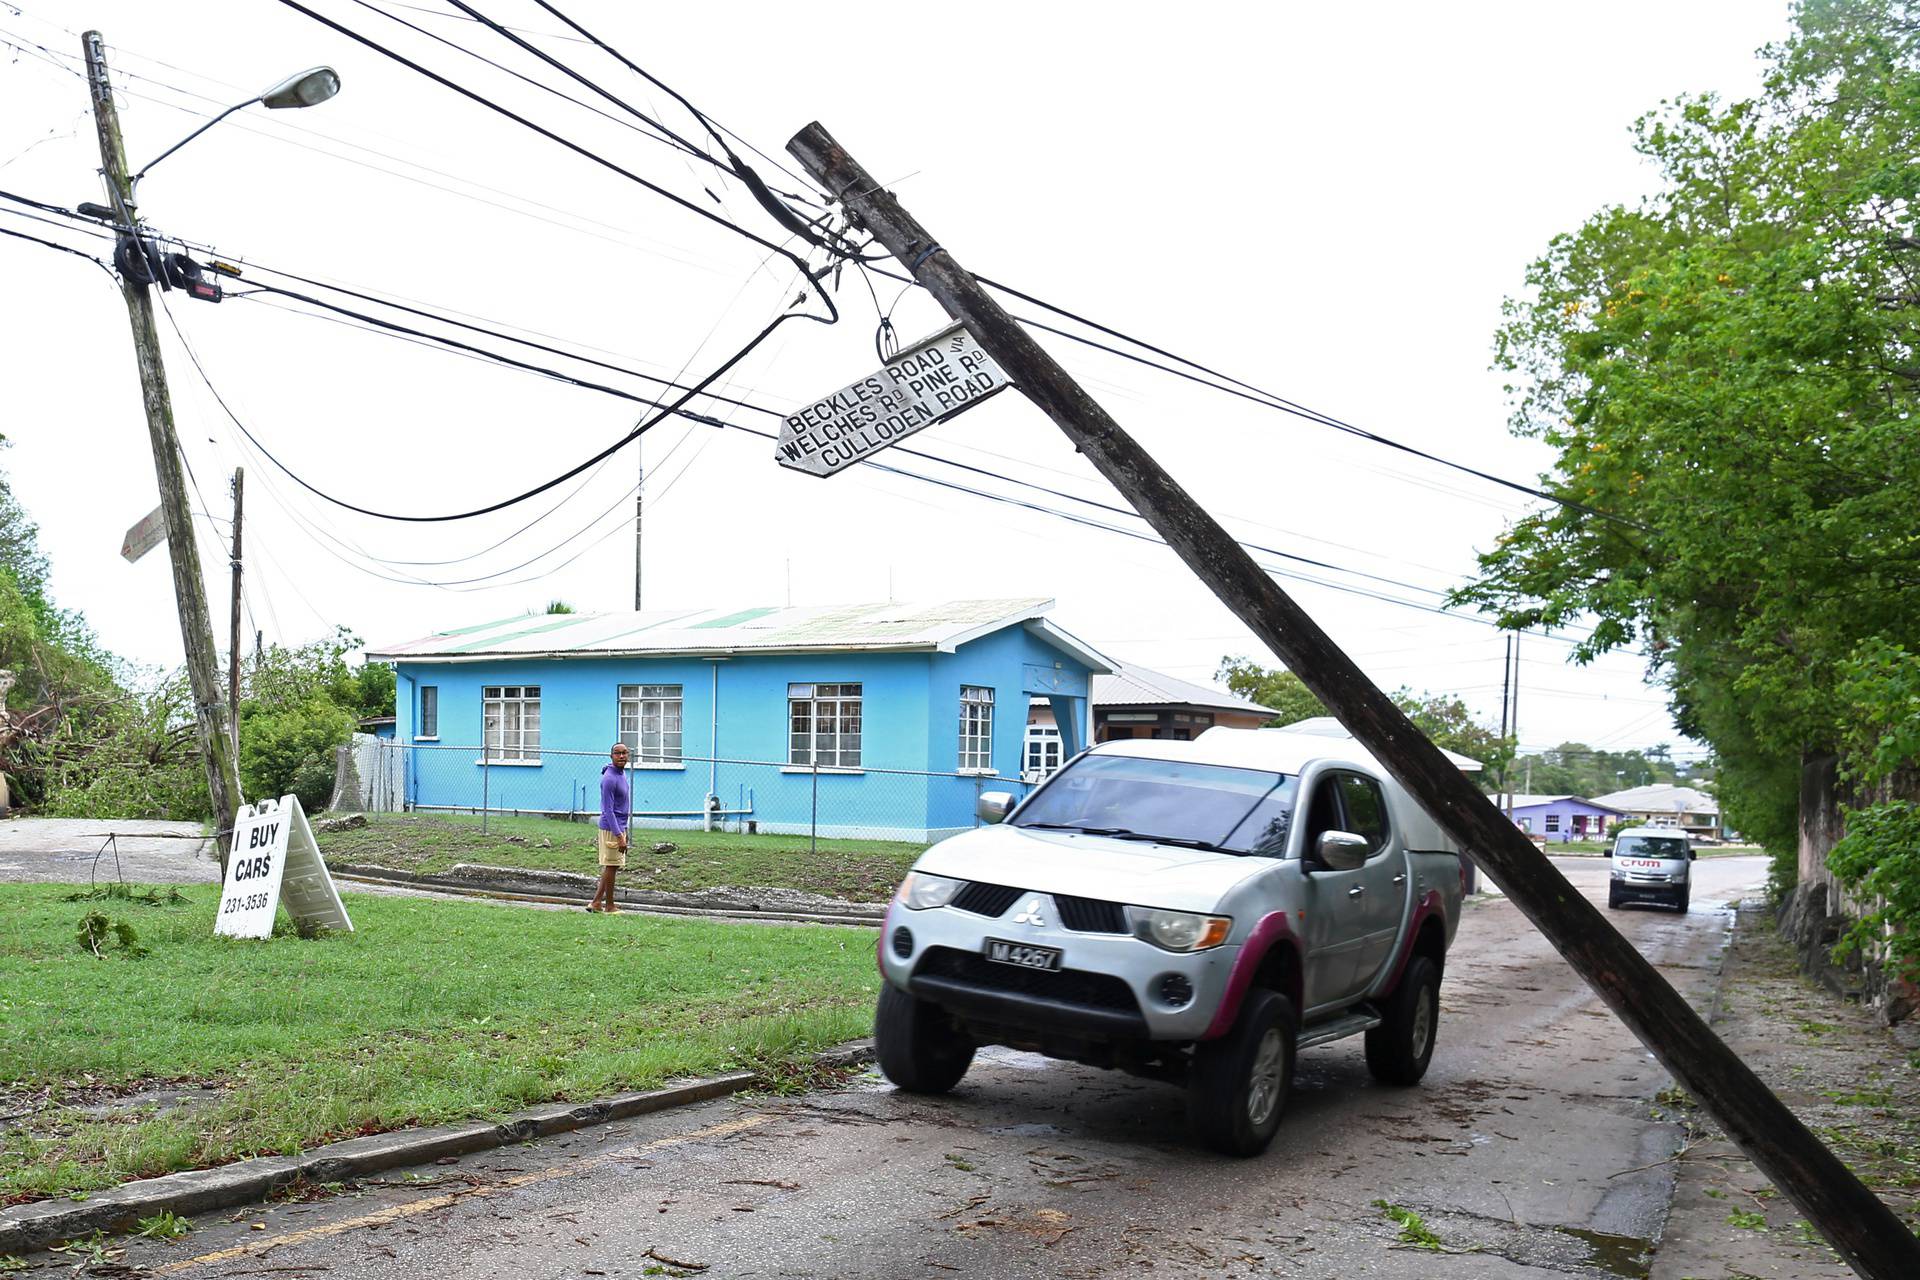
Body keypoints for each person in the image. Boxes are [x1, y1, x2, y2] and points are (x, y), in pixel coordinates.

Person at [590, 742, 631, 913]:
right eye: (617, 753)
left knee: (611, 866)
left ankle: (597, 903)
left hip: (620, 826)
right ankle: (609, 905)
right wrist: (619, 835)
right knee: (612, 865)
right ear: (611, 756)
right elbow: (607, 810)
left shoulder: (620, 774)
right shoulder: (609, 779)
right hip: (612, 828)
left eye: (624, 753)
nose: (621, 756)